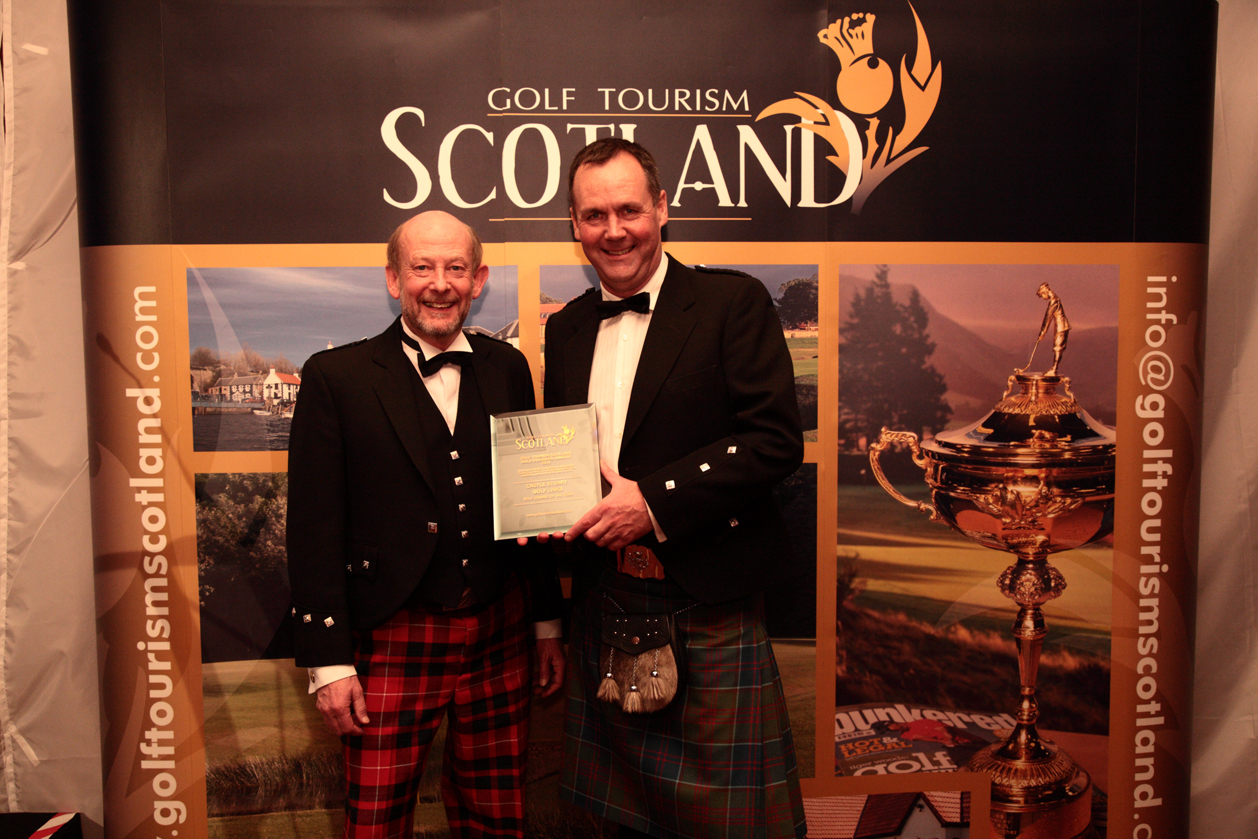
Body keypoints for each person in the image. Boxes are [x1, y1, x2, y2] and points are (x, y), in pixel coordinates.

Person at [542, 138, 807, 839]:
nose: (614, 229)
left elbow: (776, 441)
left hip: (706, 599)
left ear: (662, 208)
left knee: (727, 824)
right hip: (605, 601)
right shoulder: (566, 328)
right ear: (574, 224)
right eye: (594, 214)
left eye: (629, 208)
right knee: (611, 818)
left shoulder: (731, 302)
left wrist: (652, 500)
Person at [286, 210, 565, 839]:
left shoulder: (508, 367)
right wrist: (329, 663)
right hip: (390, 634)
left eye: (455, 268)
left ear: (478, 279)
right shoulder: (337, 377)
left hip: (500, 625)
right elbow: (311, 530)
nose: (439, 283)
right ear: (393, 279)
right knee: (378, 819)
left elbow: (533, 502)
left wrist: (547, 621)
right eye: (422, 267)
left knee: (498, 814)